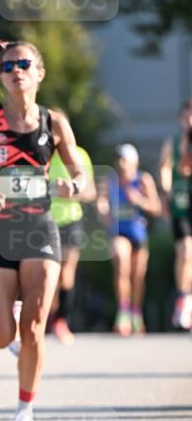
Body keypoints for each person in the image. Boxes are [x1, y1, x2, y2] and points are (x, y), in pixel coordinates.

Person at [0, 28, 87, 421]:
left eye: (24, 65)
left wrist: (74, 185)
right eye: (9, 66)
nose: (16, 71)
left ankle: (24, 413)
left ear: (40, 73)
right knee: (0, 337)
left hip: (39, 230)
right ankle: (11, 330)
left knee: (34, 328)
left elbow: (80, 175)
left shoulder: (54, 123)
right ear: (1, 76)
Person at [99, 143, 161, 336]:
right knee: (121, 264)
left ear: (134, 162)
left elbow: (157, 207)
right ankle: (123, 313)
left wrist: (139, 200)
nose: (121, 163)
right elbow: (102, 204)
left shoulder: (143, 180)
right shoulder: (110, 181)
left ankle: (135, 313)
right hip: (118, 232)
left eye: (124, 159)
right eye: (118, 159)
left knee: (137, 276)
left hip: (138, 234)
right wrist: (104, 213)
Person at [48, 140, 96, 344]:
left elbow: (90, 192)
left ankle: (61, 321)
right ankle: (46, 318)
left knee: (66, 274)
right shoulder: (42, 153)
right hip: (43, 221)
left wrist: (72, 190)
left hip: (71, 220)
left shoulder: (80, 154)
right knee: (48, 274)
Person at [158, 100, 192, 330]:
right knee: (186, 251)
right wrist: (167, 192)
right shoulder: (174, 142)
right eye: (187, 116)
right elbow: (165, 167)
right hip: (181, 203)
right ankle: (183, 297)